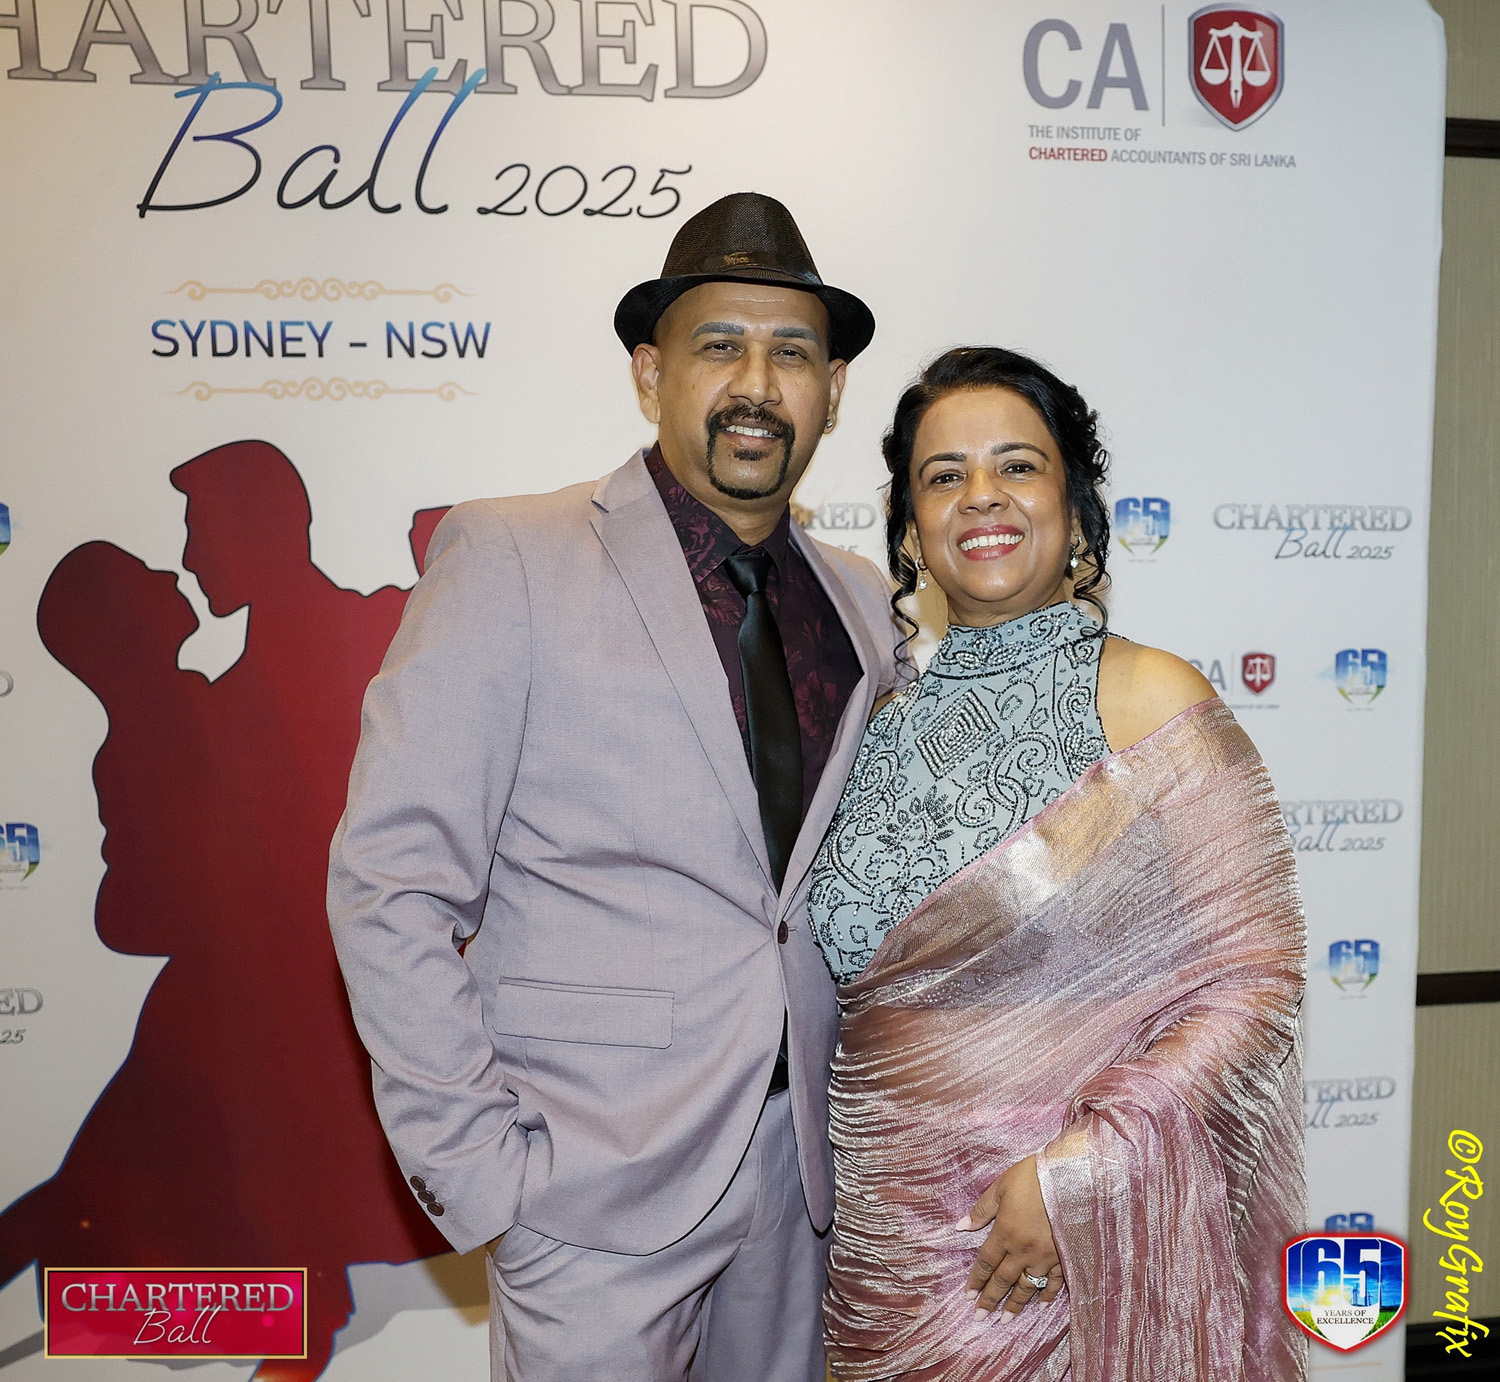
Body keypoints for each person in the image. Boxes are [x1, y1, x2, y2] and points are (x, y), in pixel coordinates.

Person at [328, 192, 905, 1382]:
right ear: (651, 373)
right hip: (587, 1189)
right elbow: (391, 878)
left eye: (793, 353)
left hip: (803, 1189)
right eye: (719, 345)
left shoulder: (862, 602)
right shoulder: (512, 556)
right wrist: (485, 1170)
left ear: (835, 389)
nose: (758, 384)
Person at [807, 347, 1306, 1381]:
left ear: (1074, 510)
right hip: (883, 1255)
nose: (981, 494)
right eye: (944, 474)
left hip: (1067, 1253)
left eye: (1017, 465)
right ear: (911, 527)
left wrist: (1082, 1174)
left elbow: (1255, 979)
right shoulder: (871, 723)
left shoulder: (1149, 700)